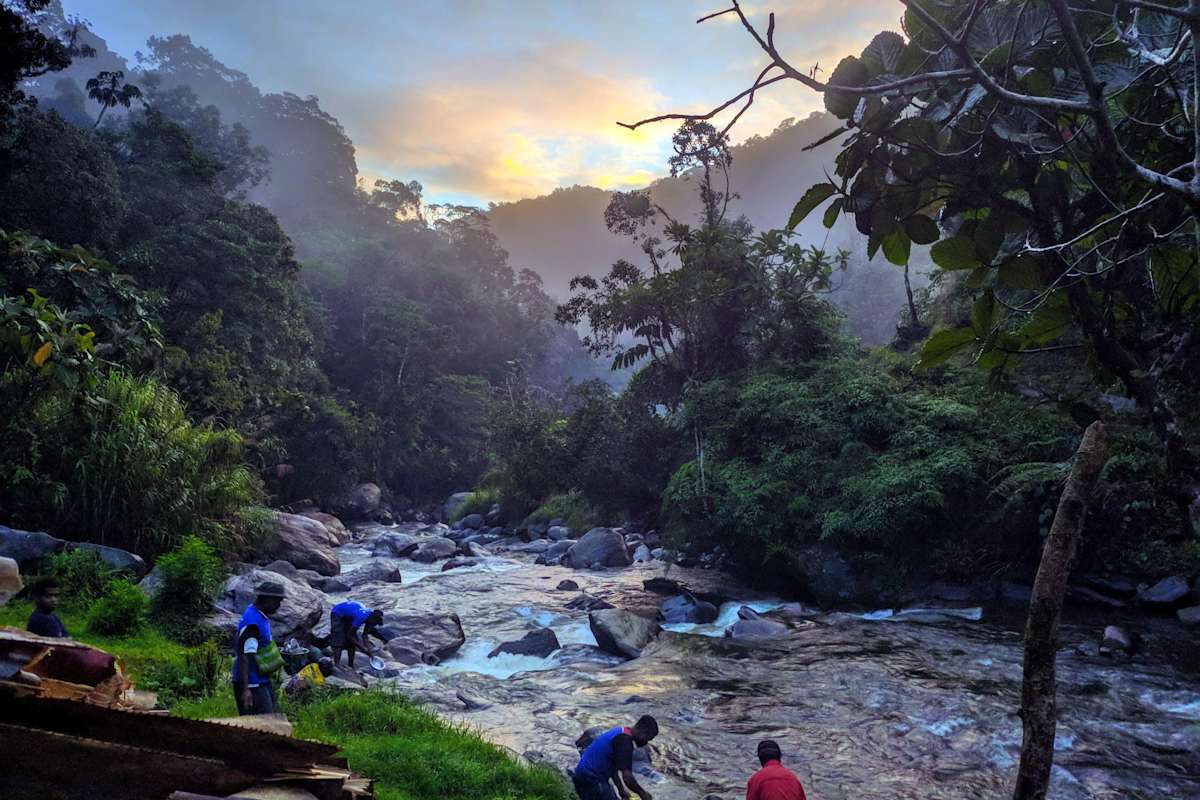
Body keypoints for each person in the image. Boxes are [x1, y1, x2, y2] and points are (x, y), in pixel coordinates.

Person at [573, 715, 659, 800]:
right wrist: (643, 794)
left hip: (583, 774)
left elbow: (613, 767)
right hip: (592, 780)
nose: (646, 742)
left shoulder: (619, 731)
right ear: (643, 730)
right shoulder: (625, 742)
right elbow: (627, 777)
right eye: (647, 738)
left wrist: (621, 790)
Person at [232, 581, 286, 716]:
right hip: (252, 683)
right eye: (277, 602)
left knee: (271, 718)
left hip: (261, 680)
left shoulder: (258, 615)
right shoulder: (253, 623)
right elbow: (245, 656)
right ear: (267, 599)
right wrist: (246, 690)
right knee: (262, 724)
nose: (279, 606)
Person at [328, 600, 387, 668]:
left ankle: (351, 666)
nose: (375, 625)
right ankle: (337, 665)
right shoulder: (361, 617)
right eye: (375, 623)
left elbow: (364, 635)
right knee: (338, 638)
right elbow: (349, 635)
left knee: (352, 643)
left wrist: (369, 650)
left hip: (349, 615)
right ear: (373, 619)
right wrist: (362, 648)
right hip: (337, 613)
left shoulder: (371, 617)